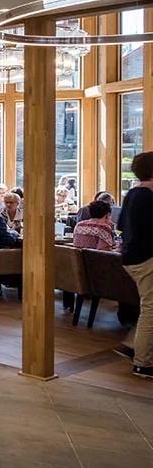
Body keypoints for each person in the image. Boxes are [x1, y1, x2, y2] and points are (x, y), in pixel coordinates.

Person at [118, 152, 153, 379]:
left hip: (132, 258)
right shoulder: (147, 198)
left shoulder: (132, 194)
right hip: (146, 258)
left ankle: (132, 345)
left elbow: (121, 226)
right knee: (151, 309)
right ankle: (143, 363)